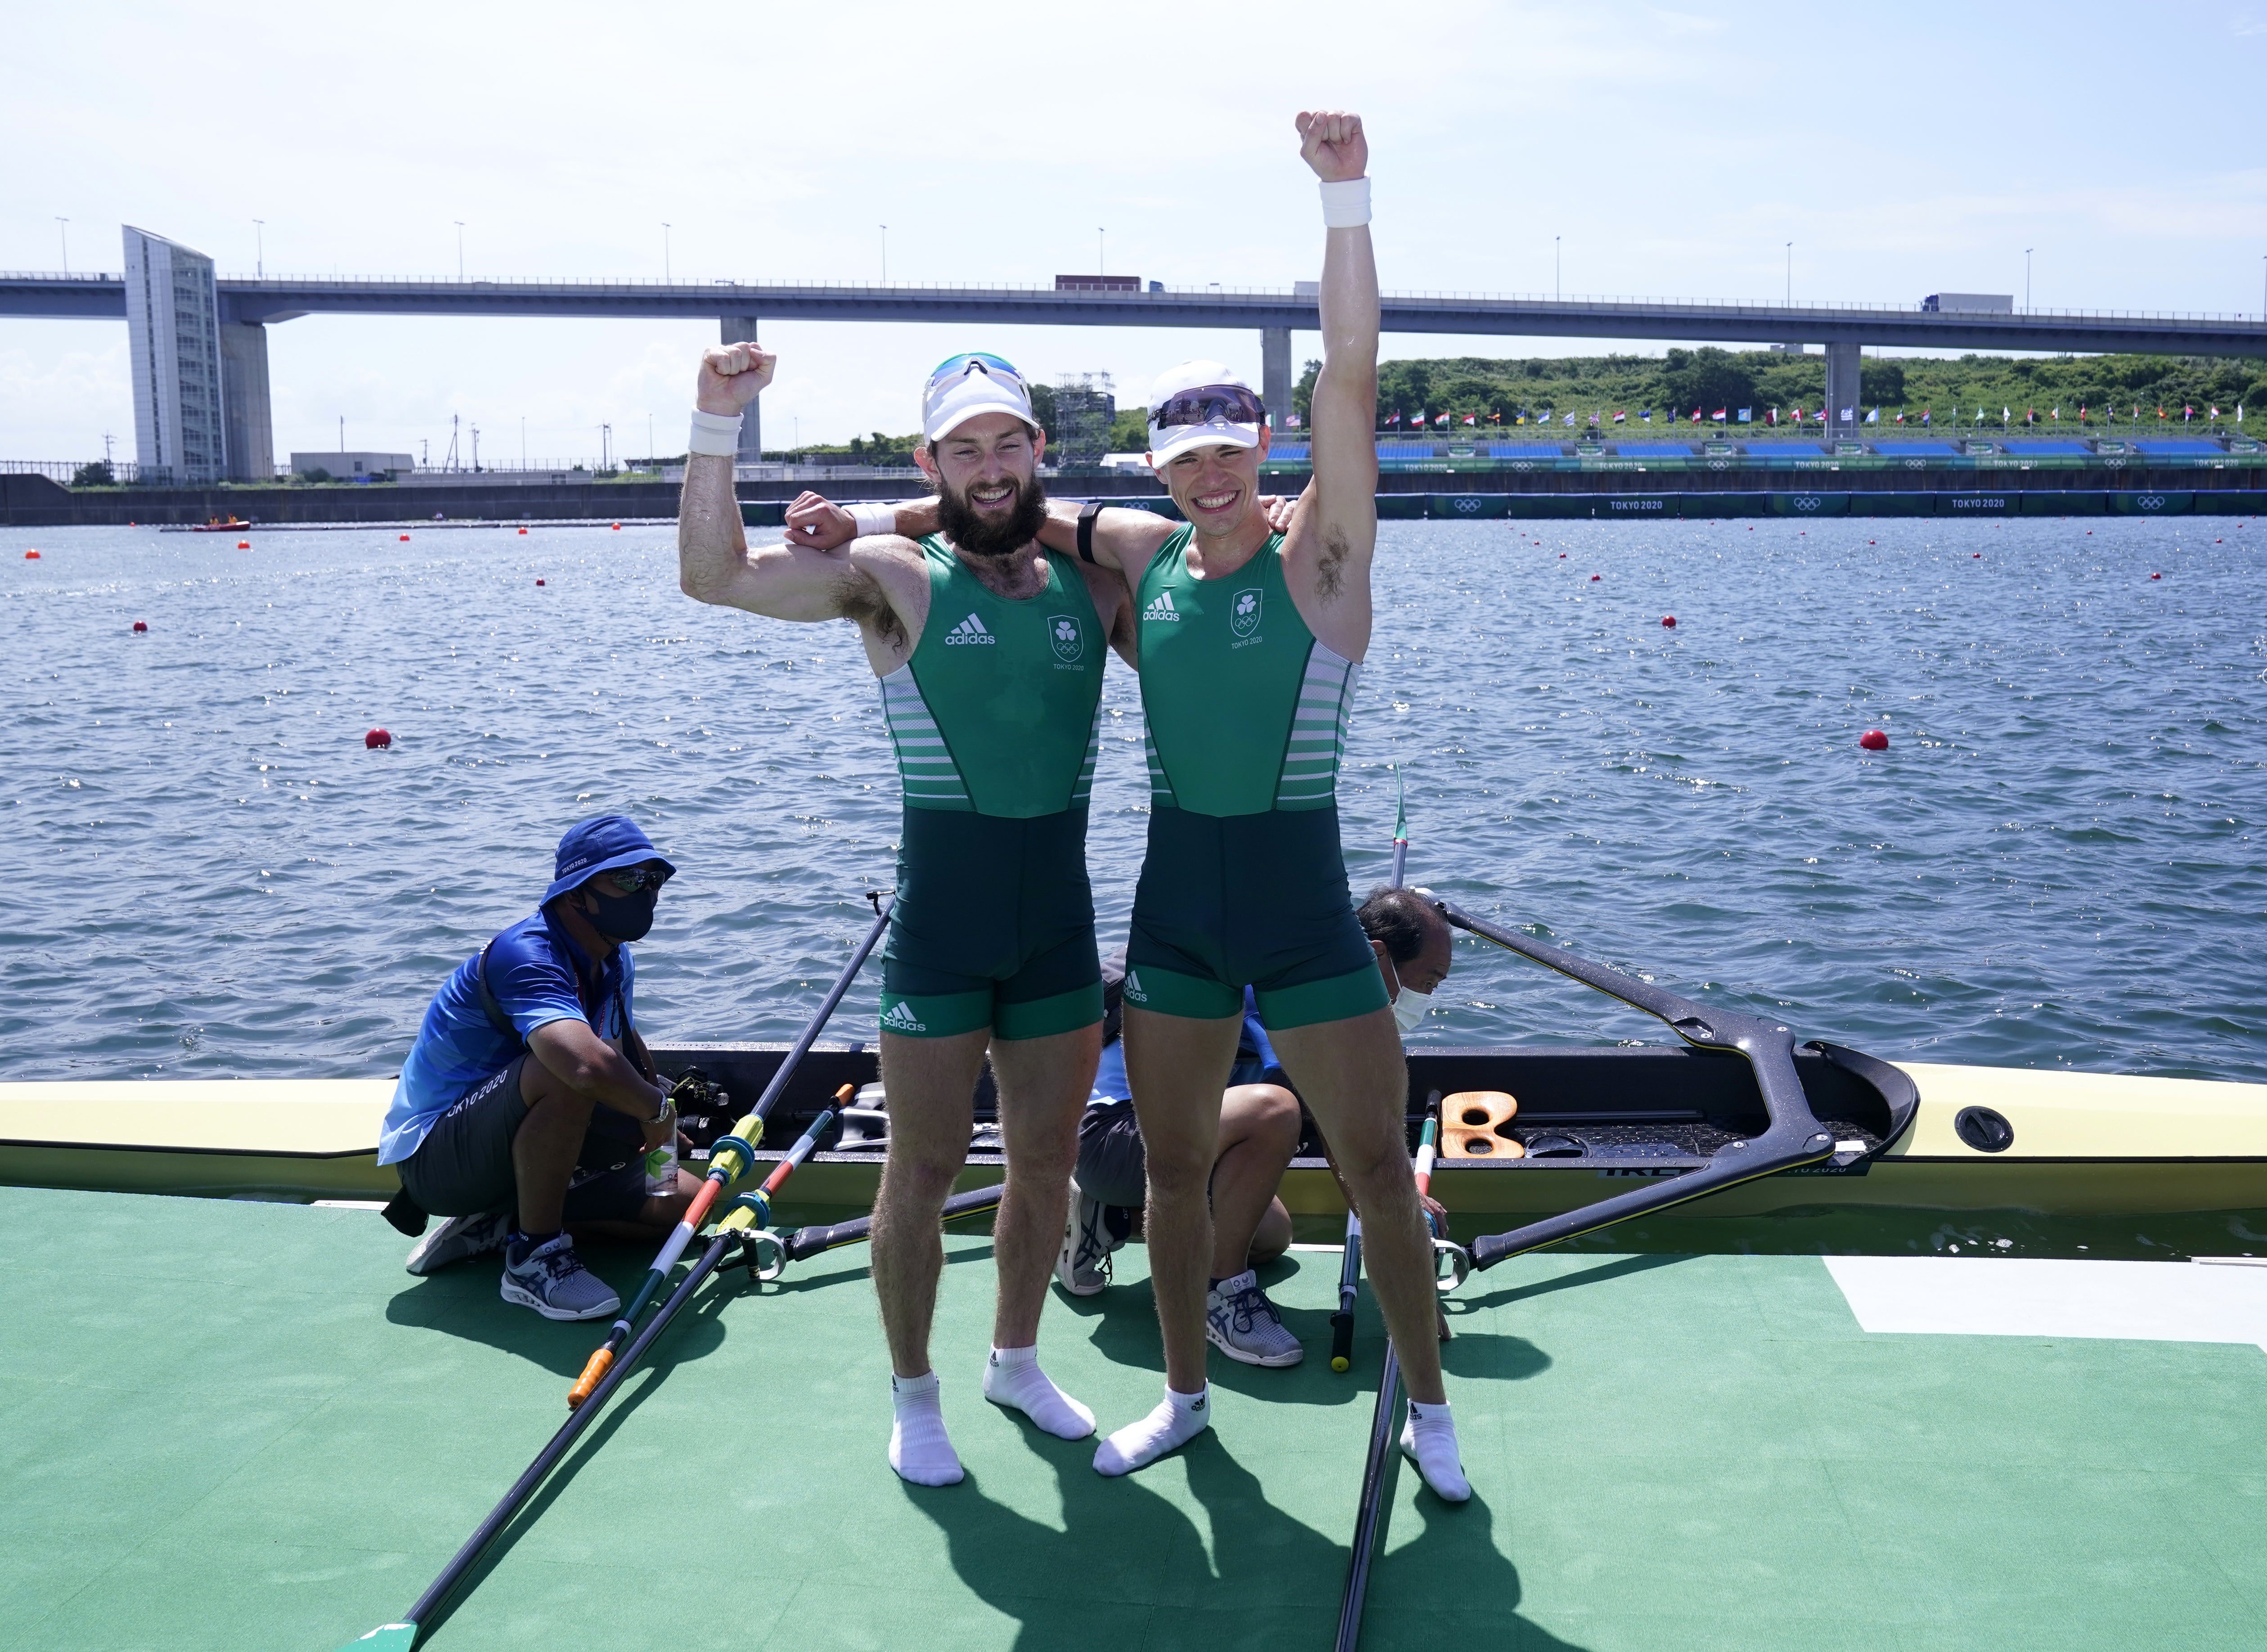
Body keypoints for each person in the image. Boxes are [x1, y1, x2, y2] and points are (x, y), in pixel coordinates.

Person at [676, 342, 1131, 1488]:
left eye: (1007, 441)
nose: (989, 464)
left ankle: (1015, 1358)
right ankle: (913, 1396)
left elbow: (1209, 557)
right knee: (918, 1172)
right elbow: (712, 575)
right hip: (939, 933)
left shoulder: (1096, 578)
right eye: (963, 447)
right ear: (932, 459)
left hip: (1059, 937)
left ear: (1038, 450)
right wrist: (714, 422)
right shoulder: (892, 575)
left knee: (1043, 1164)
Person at [1060, 887, 1459, 1374]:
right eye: (1430, 980)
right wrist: (1405, 1257)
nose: (1429, 995)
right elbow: (1339, 1130)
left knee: (1271, 1236)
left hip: (1165, 1133)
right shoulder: (1282, 985)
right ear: (1377, 956)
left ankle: (1108, 1217)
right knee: (1275, 1111)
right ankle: (1220, 1295)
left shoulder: (1321, 981)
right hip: (1111, 1134)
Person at [379, 815, 700, 1321]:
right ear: (575, 895)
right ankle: (535, 1257)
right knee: (565, 1068)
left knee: (680, 1203)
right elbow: (583, 1065)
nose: (644, 891)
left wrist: (661, 1135)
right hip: (436, 1160)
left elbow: (622, 1048)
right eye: (625, 879)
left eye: (651, 879)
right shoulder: (525, 954)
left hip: (513, 1138)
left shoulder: (612, 959)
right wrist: (654, 1109)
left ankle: (506, 1224)